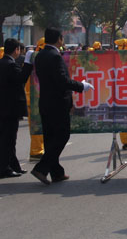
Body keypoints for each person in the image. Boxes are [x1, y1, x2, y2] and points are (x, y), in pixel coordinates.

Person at [31, 28, 93, 185]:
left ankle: (56, 172)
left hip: (45, 101)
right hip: (57, 103)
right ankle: (41, 168)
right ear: (59, 39)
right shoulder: (55, 56)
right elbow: (62, 81)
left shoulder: (40, 55)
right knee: (62, 136)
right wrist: (81, 86)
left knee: (50, 138)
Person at [0, 38, 35, 179]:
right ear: (16, 50)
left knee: (8, 138)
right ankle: (5, 169)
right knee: (8, 139)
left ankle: (13, 165)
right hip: (9, 107)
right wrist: (28, 63)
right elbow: (21, 79)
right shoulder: (11, 65)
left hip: (0, 106)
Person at [26, 37, 46, 160]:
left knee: (41, 127)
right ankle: (36, 151)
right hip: (34, 98)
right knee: (37, 127)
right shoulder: (36, 59)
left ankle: (39, 150)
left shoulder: (34, 59)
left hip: (38, 97)